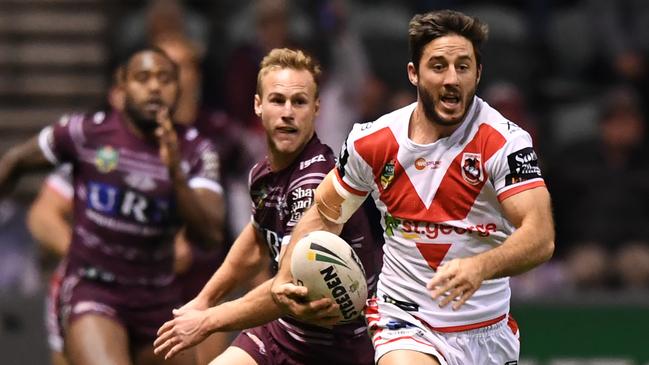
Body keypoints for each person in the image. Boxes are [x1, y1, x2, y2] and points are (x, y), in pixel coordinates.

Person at [270, 10, 555, 365]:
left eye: (463, 66)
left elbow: (540, 237)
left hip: (487, 333)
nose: (452, 78)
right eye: (438, 66)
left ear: (477, 74)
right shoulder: (372, 141)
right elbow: (326, 213)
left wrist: (481, 266)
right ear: (414, 74)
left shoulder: (505, 143)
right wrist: (285, 275)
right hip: (404, 321)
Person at [154, 48, 383, 365]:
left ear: (316, 108)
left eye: (299, 102)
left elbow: (283, 285)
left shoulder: (315, 181)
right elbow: (255, 241)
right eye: (277, 100)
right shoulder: (262, 173)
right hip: (282, 333)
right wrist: (202, 301)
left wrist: (206, 321)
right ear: (258, 106)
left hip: (338, 350)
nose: (288, 112)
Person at [0, 47, 225, 365]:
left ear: (178, 88)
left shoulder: (196, 150)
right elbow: (15, 161)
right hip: (95, 288)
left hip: (157, 296)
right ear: (122, 87)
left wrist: (175, 174)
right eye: (143, 78)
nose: (155, 87)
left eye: (165, 79)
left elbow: (210, 235)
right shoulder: (86, 133)